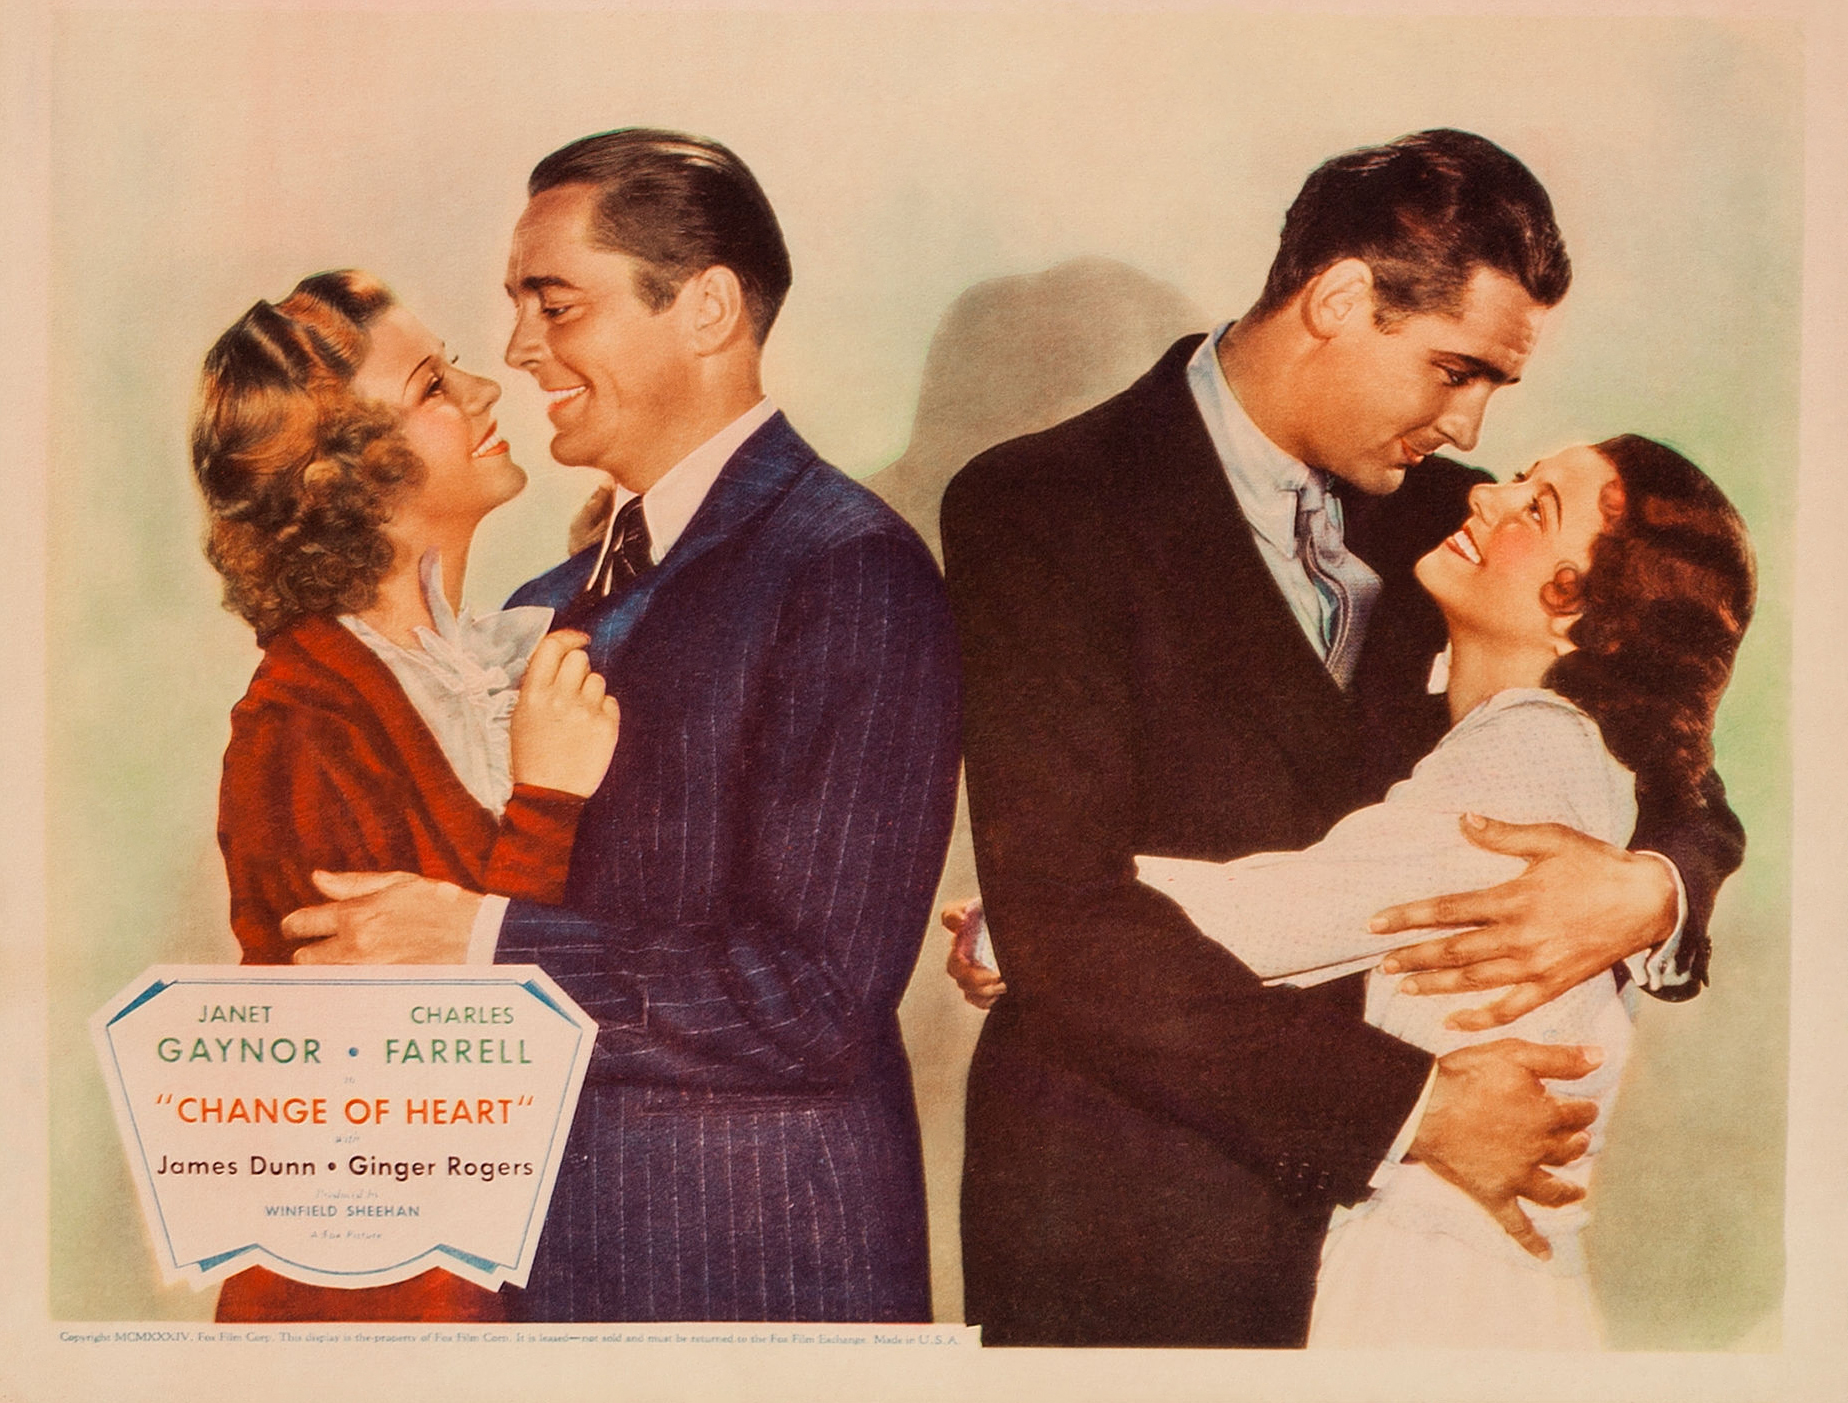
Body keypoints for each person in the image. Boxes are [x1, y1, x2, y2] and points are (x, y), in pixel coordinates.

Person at [940, 129, 1746, 1347]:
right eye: (1455, 370)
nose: (1469, 427)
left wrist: (1651, 893)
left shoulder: (1461, 529)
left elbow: (1676, 763)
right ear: (1339, 299)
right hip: (1129, 1209)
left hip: (1384, 1259)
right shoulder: (1041, 503)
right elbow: (1063, 903)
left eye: (1494, 388)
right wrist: (1411, 1108)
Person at [278, 129, 964, 1323]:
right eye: (517, 306)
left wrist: (482, 941)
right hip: (549, 1288)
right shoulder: (547, 599)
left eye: (555, 305)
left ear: (707, 309)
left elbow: (813, 1004)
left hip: (756, 1286)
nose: (516, 347)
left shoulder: (849, 567)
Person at [1130, 437, 1753, 1345]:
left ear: (1587, 614)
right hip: (1446, 1258)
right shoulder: (1551, 739)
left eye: (1535, 507)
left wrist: (1032, 915)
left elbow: (1290, 913)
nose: (1484, 494)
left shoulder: (1535, 747)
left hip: (1432, 1283)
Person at [190, 269, 620, 1321]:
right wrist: (549, 802)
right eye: (433, 385)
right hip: (378, 1302)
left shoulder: (479, 657)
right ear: (344, 475)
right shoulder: (303, 723)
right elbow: (449, 1060)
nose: (485, 391)